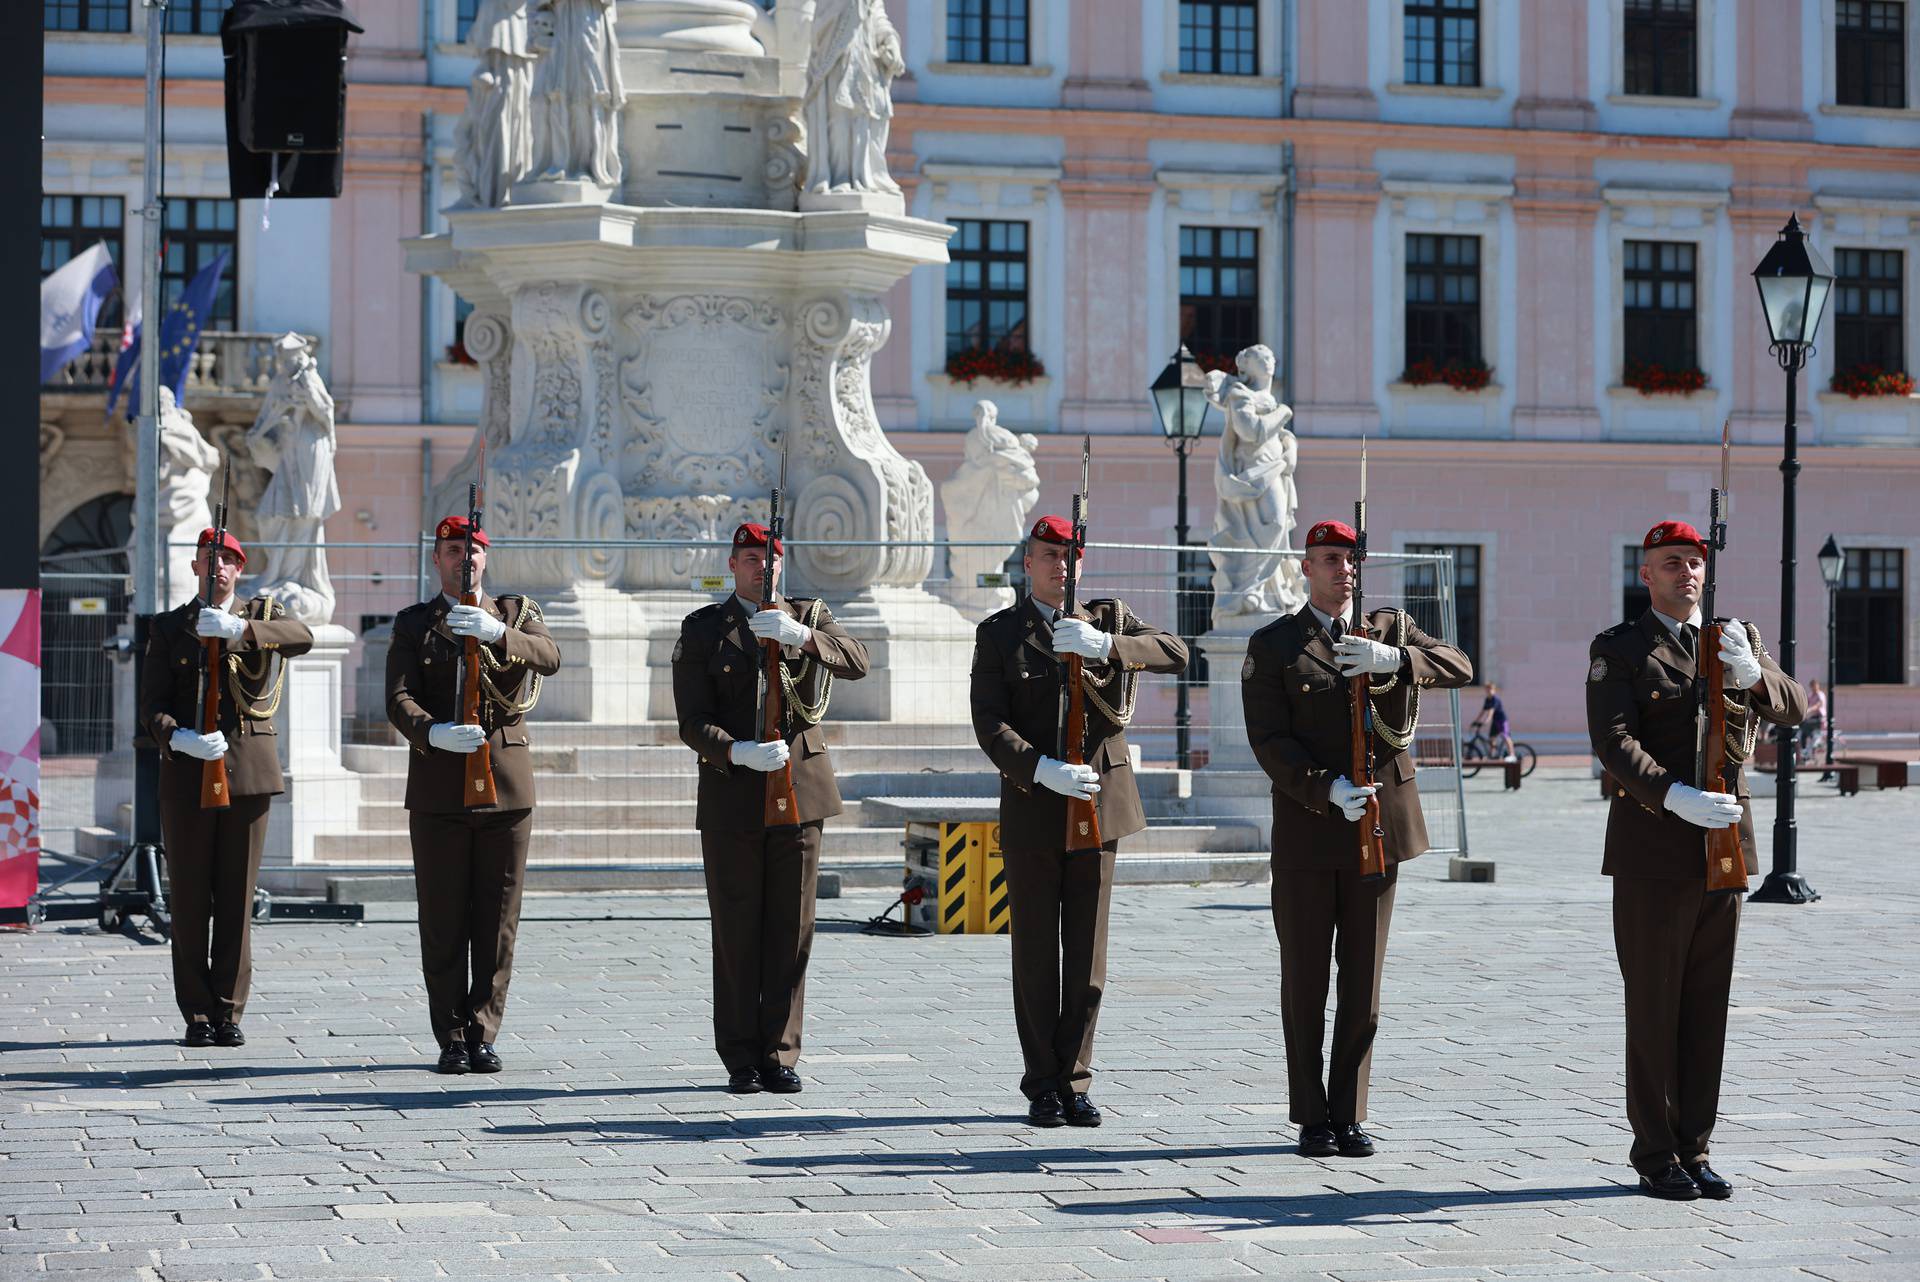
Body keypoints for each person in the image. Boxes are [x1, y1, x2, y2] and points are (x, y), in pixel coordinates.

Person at [1240, 518, 1473, 1158]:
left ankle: (1349, 1111)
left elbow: (1458, 664)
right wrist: (1322, 789)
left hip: (1378, 833)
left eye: (1348, 560)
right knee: (1307, 979)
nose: (1341, 570)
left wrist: (1396, 659)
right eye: (1327, 560)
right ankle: (1311, 1115)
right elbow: (1269, 740)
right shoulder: (1276, 646)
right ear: (1304, 568)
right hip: (1311, 832)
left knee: (1363, 985)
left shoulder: (1388, 630)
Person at [1587, 519, 1805, 1200]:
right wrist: (1671, 795)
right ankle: (1655, 1155)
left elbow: (1794, 708)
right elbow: (1613, 740)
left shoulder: (1734, 639)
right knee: (1654, 1006)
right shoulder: (1620, 648)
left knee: (1707, 1007)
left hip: (1724, 853)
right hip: (1654, 848)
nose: (1687, 573)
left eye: (1695, 563)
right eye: (1672, 563)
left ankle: (1696, 1147)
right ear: (1645, 574)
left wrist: (1754, 674)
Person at [969, 514, 1189, 1128]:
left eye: (1069, 556)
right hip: (1036, 804)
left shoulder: (1108, 621)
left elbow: (1176, 651)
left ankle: (1076, 1077)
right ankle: (1042, 1081)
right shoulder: (1001, 634)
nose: (1060, 566)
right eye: (1048, 556)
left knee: (1088, 956)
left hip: (1100, 807)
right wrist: (1038, 768)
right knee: (1037, 953)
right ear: (1027, 565)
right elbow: (989, 722)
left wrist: (1107, 647)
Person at [671, 522, 871, 1095]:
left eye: (773, 560)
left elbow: (856, 661)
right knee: (737, 930)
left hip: (800, 793)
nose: (764, 569)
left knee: (792, 928)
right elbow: (690, 721)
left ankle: (781, 1051)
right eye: (752, 559)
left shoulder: (808, 617)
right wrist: (736, 751)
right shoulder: (706, 629)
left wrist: (802, 638)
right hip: (734, 795)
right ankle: (739, 1055)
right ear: (731, 565)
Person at [386, 516, 562, 1074]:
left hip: (506, 788)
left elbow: (549, 657)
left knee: (497, 919)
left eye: (475, 550)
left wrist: (494, 633)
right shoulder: (416, 623)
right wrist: (431, 732)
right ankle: (451, 1035)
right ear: (435, 559)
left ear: (487, 558)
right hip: (439, 786)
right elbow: (398, 697)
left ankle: (484, 1031)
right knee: (442, 919)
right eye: (454, 549)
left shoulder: (515, 614)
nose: (465, 558)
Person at [140, 528, 314, 1048]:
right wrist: (179, 738)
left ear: (239, 570)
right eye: (208, 560)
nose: (217, 569)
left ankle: (229, 1010)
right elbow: (151, 705)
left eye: (228, 561)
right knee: (191, 896)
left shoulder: (260, 615)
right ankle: (196, 1012)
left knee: (236, 898)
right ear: (194, 567)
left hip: (247, 774)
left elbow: (302, 637)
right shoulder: (169, 627)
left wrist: (240, 630)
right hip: (189, 772)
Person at [1470, 682, 1514, 759]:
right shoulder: (1487, 699)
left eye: (1490, 689)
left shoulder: (1495, 699)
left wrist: (1487, 721)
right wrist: (1475, 721)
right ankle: (1492, 755)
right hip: (1495, 721)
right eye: (1487, 689)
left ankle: (1512, 755)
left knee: (1505, 736)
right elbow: (1482, 711)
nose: (1489, 691)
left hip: (1502, 720)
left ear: (1494, 690)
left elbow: (1491, 711)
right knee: (1491, 738)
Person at [1800, 678, 1827, 762]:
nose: (1813, 688)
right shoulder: (1811, 695)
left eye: (1814, 686)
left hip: (1819, 719)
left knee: (1805, 725)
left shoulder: (1820, 694)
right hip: (1812, 718)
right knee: (1803, 732)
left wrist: (1810, 710)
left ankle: (1814, 739)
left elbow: (1818, 705)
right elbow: (1806, 703)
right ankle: (1805, 751)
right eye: (1812, 686)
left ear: (1817, 686)